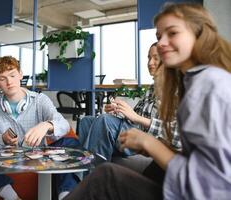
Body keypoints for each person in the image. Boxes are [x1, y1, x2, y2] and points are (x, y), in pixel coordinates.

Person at [64, 2, 231, 200]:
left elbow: (210, 182)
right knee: (89, 121)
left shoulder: (211, 85)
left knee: (106, 175)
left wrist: (151, 143)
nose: (161, 44)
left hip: (190, 191)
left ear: (199, 35)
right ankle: (79, 182)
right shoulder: (190, 82)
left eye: (173, 33)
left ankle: (80, 183)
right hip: (172, 179)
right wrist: (124, 114)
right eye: (159, 36)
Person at [0, 56, 80, 200]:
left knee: (70, 144)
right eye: (3, 78)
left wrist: (46, 125)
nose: (9, 82)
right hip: (5, 158)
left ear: (20, 74)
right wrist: (2, 139)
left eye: (12, 75)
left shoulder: (39, 100)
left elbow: (64, 125)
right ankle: (11, 196)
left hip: (38, 154)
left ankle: (66, 196)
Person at [78, 42, 181, 165]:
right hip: (136, 128)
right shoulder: (152, 88)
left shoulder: (176, 90)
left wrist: (135, 117)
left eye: (155, 58)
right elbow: (135, 117)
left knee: (105, 121)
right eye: (149, 58)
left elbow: (174, 131)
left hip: (150, 137)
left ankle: (91, 177)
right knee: (86, 121)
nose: (149, 63)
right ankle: (83, 172)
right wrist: (120, 111)